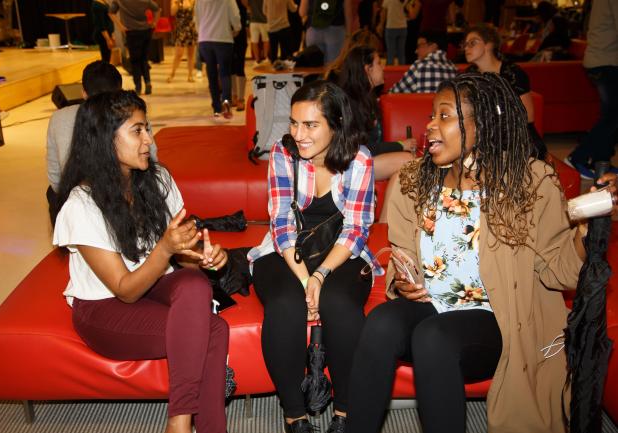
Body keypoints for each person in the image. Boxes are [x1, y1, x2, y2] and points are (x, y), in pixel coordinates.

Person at [345, 72, 615, 433]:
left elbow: (559, 270)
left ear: (483, 125)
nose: (430, 126)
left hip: (496, 320)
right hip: (432, 307)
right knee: (380, 323)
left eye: (444, 116)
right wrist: (403, 281)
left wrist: (588, 226)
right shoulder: (416, 180)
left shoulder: (528, 182)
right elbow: (402, 253)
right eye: (431, 116)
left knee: (433, 337)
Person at [53, 90, 230, 433]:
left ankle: (181, 421)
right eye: (137, 131)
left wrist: (201, 257)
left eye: (146, 128)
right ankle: (188, 424)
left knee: (195, 282)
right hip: (104, 309)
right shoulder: (82, 204)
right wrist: (165, 249)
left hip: (154, 285)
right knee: (214, 329)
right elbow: (126, 291)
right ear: (106, 138)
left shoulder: (158, 180)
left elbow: (186, 268)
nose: (149, 138)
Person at [248, 80, 382, 433]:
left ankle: (345, 412)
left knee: (339, 303)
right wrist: (306, 281)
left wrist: (321, 276)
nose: (298, 134)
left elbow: (356, 228)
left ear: (336, 125)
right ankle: (295, 415)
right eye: (294, 123)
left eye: (310, 125)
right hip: (286, 249)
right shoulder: (282, 153)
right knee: (285, 304)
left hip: (340, 251)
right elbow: (280, 224)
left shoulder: (359, 158)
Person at [46, 61, 159, 225]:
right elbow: (152, 161)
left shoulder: (59, 117)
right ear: (120, 91)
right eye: (137, 131)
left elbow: (55, 177)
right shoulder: (132, 117)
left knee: (53, 191)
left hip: (74, 196)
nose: (146, 138)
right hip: (119, 199)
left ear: (84, 93)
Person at [463, 24, 547, 160]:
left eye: (472, 43)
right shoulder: (469, 76)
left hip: (516, 140)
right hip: (484, 138)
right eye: (465, 44)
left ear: (489, 45)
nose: (466, 48)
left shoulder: (512, 73)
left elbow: (528, 117)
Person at [338, 45, 415, 182]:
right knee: (408, 160)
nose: (383, 68)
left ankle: (391, 204)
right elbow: (358, 148)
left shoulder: (368, 99)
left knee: (401, 172)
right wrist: (400, 145)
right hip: (348, 165)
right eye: (379, 63)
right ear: (368, 69)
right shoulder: (349, 102)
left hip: (363, 160)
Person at [566, 0, 618, 180]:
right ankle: (578, 157)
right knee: (611, 117)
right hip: (606, 61)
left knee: (610, 116)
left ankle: (601, 163)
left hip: (601, 59)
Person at [195, 0, 242, 119]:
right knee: (225, 73)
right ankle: (226, 100)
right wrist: (237, 28)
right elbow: (235, 15)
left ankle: (216, 108)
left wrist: (201, 33)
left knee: (211, 75)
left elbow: (197, 19)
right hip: (223, 38)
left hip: (205, 39)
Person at [110, 0, 161, 95]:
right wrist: (154, 23)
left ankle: (138, 86)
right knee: (144, 59)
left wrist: (120, 26)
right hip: (146, 31)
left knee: (135, 61)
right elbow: (157, 9)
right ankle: (148, 82)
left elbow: (111, 12)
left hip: (131, 32)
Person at [388, 30, 457, 93]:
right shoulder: (453, 68)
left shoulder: (420, 66)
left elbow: (394, 92)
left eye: (419, 46)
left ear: (433, 46)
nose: (416, 51)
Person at [299, 0, 353, 65]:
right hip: (336, 31)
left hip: (313, 31)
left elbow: (302, 12)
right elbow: (348, 12)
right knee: (333, 67)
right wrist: (349, 35)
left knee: (314, 67)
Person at [167, 0, 197, 83]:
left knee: (191, 54)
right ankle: (172, 74)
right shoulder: (175, 0)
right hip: (181, 29)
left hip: (191, 28)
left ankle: (190, 75)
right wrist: (177, 3)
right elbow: (172, 13)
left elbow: (196, 13)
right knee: (178, 54)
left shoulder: (193, 1)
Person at [378, 0, 409, 65]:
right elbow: (408, 11)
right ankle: (402, 72)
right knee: (401, 53)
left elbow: (383, 13)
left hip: (391, 26)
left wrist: (381, 24)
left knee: (390, 53)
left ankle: (390, 73)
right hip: (403, 26)